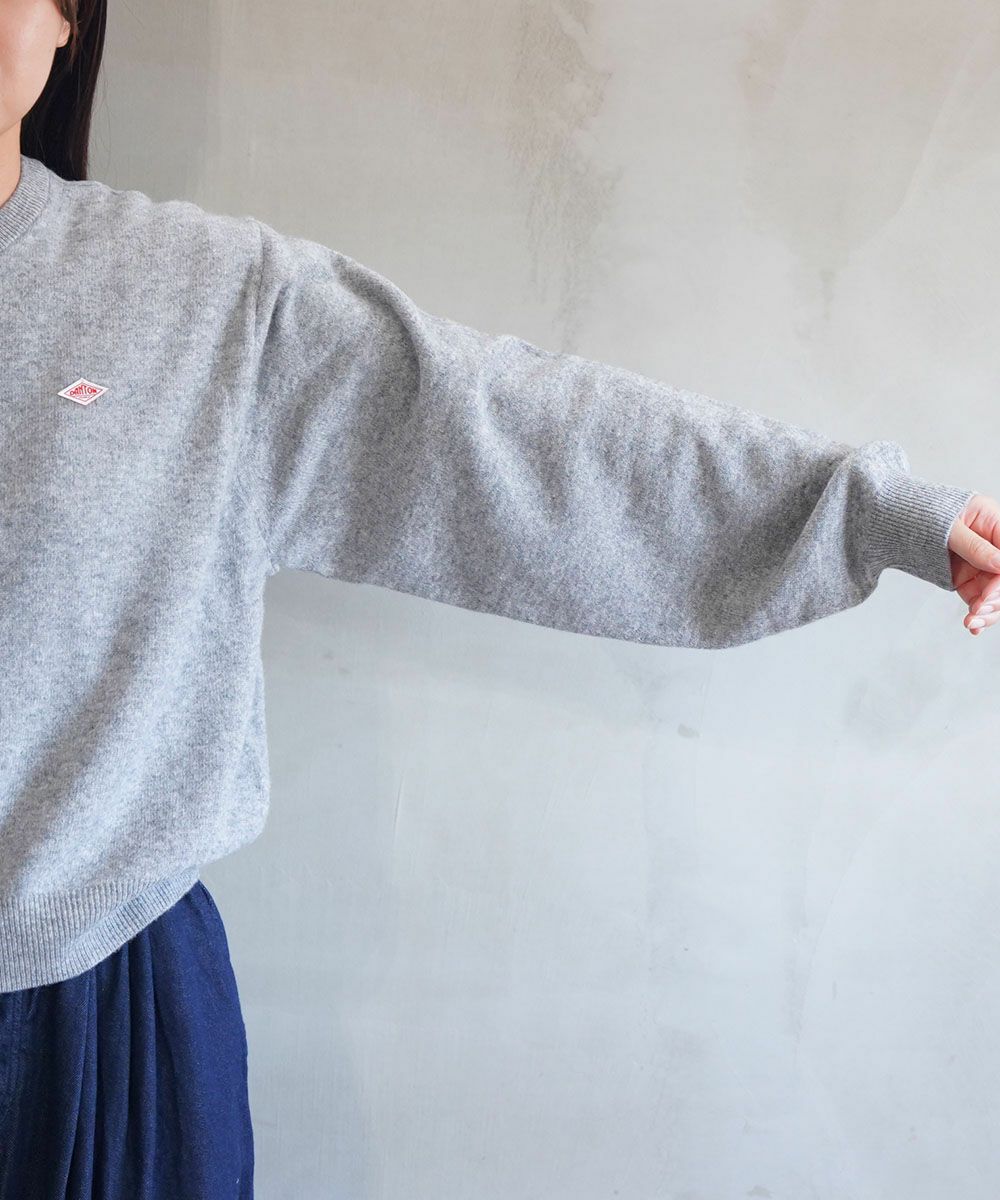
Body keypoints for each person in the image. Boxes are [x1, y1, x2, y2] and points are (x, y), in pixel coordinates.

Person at [0, 2, 996, 1197]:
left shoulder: (201, 300)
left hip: (106, 1020)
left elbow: (519, 430)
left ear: (66, 20)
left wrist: (866, 508)